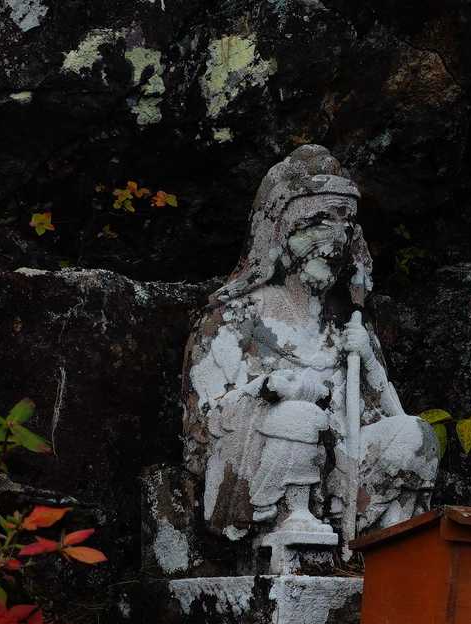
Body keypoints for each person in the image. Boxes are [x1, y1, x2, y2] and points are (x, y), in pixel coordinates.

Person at [182, 144, 438, 557]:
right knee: (299, 415)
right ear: (279, 231)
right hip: (262, 457)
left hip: (342, 462)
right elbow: (204, 424)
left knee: (416, 433)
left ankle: (388, 542)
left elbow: (389, 416)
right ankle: (292, 518)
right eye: (318, 223)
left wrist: (369, 361)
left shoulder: (349, 325)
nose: (335, 240)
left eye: (345, 225)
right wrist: (265, 390)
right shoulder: (233, 317)